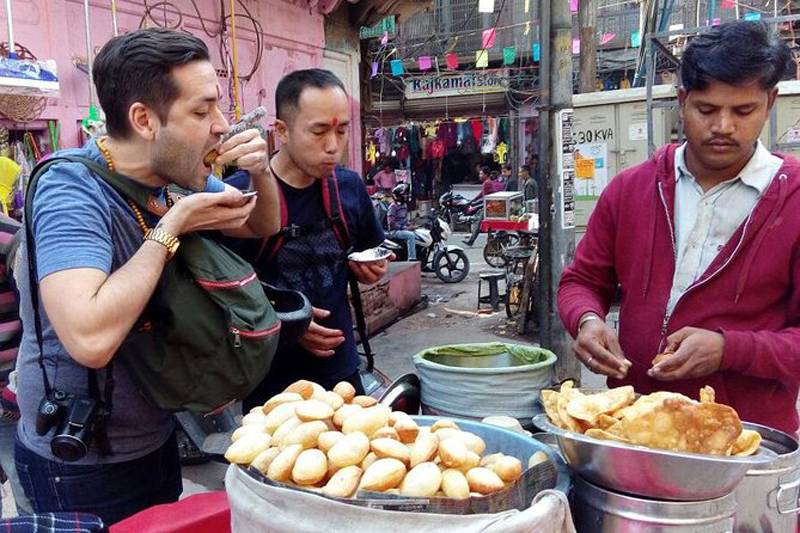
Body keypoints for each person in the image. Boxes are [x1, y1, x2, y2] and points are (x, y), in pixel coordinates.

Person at [14, 28, 280, 524]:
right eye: (201, 112)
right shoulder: (72, 192)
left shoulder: (173, 174)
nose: (220, 126)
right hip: (82, 463)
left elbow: (260, 222)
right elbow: (89, 338)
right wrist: (173, 224)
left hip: (158, 435)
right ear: (143, 119)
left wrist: (261, 173)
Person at [557, 21, 800, 434]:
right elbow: (580, 280)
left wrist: (729, 349)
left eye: (743, 111)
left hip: (745, 442)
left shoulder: (794, 198)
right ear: (682, 100)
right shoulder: (631, 188)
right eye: (707, 109)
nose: (723, 126)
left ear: (770, 102)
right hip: (632, 430)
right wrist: (586, 320)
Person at [240, 69, 386, 411]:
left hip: (341, 373)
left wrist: (369, 266)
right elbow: (218, 289)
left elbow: (369, 249)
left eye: (341, 130)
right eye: (319, 131)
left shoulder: (349, 188)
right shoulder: (240, 193)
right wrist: (286, 324)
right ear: (282, 131)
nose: (333, 146)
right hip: (269, 382)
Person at [462, 167, 504, 246]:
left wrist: (474, 204)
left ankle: (473, 240)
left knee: (479, 222)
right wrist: (472, 201)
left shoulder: (487, 183)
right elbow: (482, 194)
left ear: (486, 175)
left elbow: (485, 198)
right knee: (481, 222)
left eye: (481, 174)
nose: (479, 175)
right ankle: (475, 240)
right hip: (489, 206)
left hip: (490, 206)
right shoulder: (487, 182)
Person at [386, 183, 416, 261]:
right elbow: (391, 223)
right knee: (411, 236)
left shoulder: (404, 205)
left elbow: (404, 219)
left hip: (402, 229)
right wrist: (405, 228)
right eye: (404, 194)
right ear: (399, 196)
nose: (406, 196)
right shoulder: (393, 207)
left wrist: (411, 224)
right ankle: (412, 259)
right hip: (394, 231)